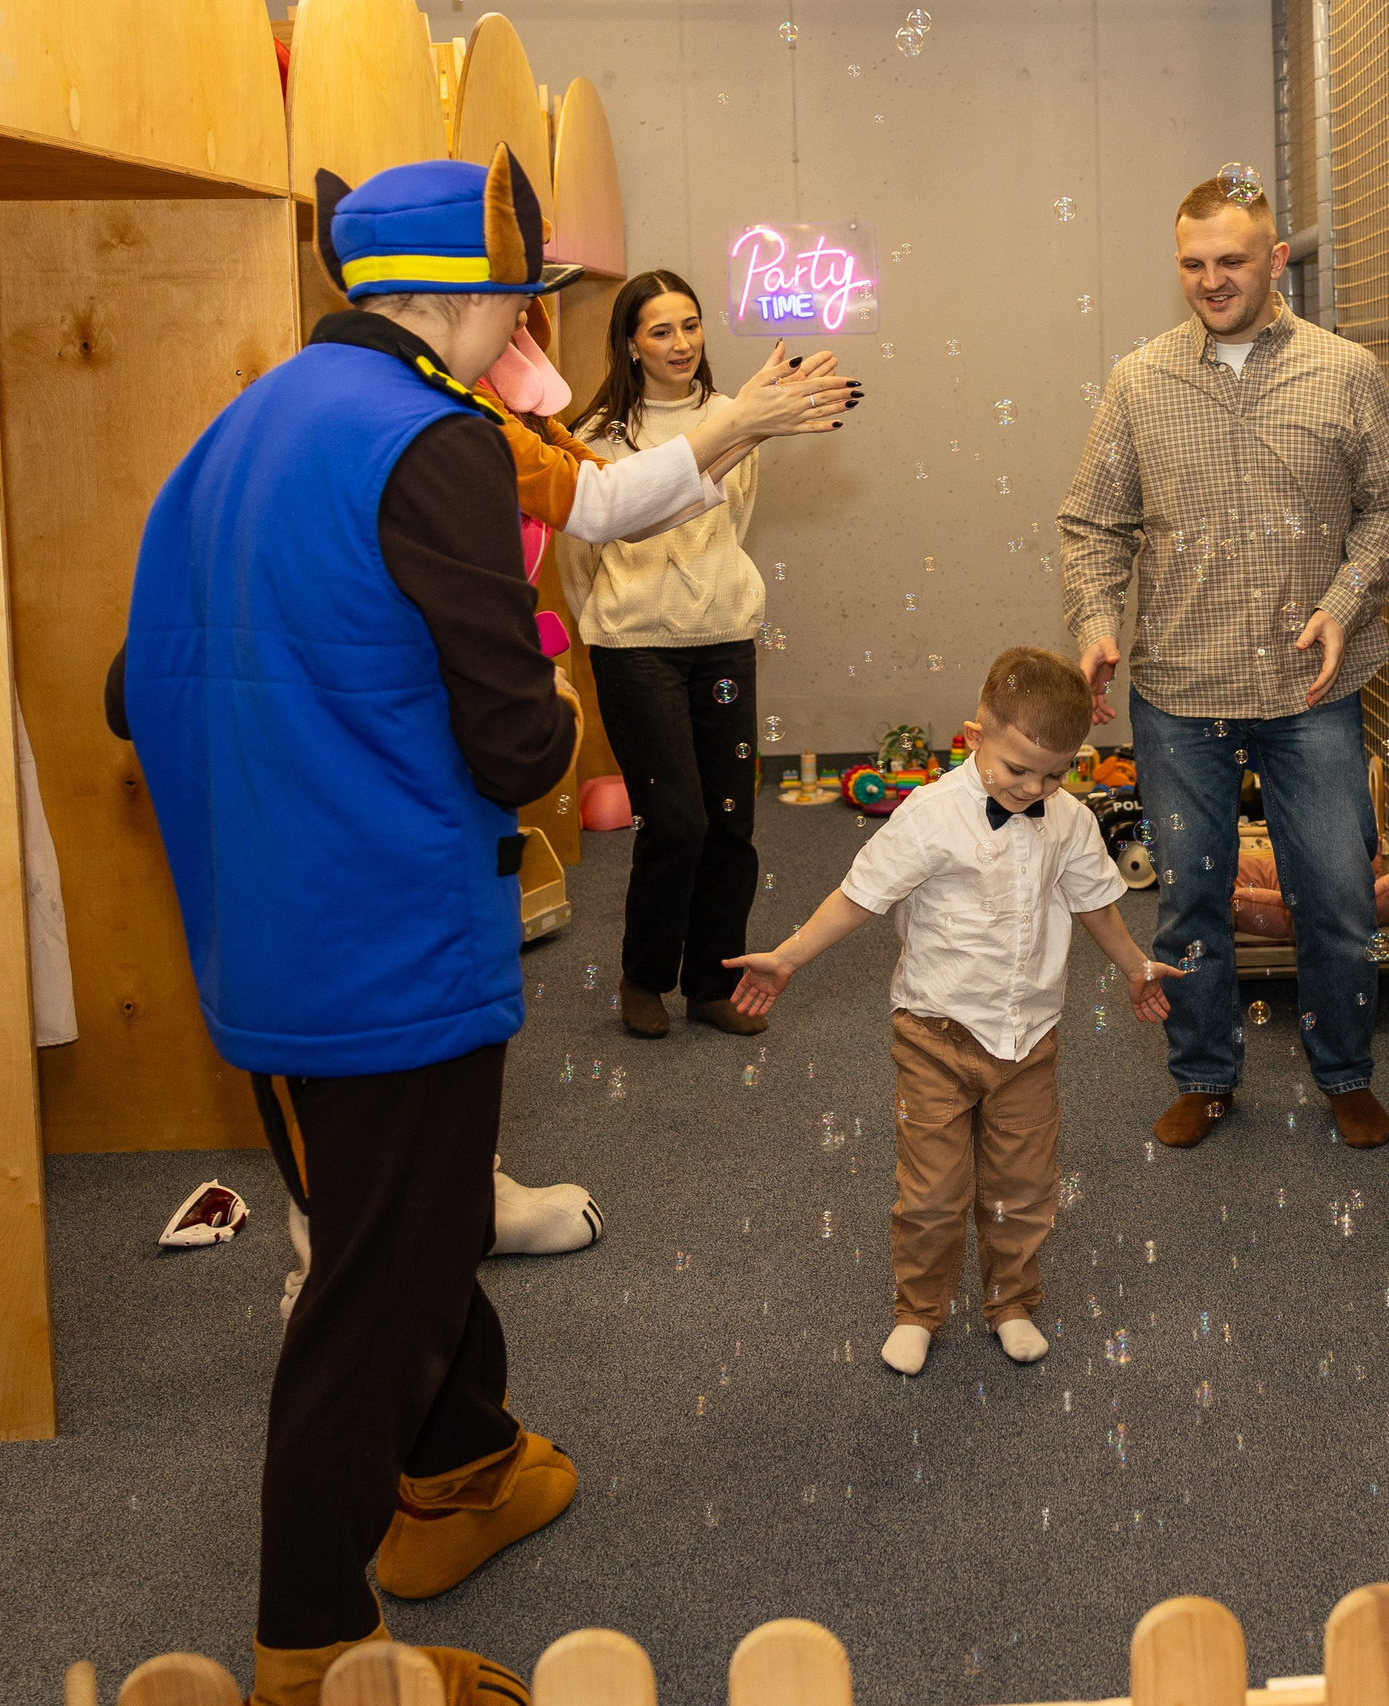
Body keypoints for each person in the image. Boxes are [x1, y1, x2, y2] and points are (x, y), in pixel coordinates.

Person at [111, 150, 854, 1706]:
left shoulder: (234, 429)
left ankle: (465, 1469)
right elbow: (518, 745)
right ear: (463, 297)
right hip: (383, 934)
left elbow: (137, 688)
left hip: (260, 923)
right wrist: (533, 703)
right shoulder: (431, 442)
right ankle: (311, 1647)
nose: (520, 339)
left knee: (409, 1218)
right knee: (374, 1283)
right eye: (516, 308)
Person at [1058, 171, 1389, 1152]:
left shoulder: (1345, 371)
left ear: (1275, 260)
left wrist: (1346, 601)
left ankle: (1345, 1070)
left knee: (1340, 902)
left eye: (1231, 260)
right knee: (1188, 902)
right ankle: (1206, 1073)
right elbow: (1094, 523)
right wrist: (1095, 619)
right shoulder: (1139, 381)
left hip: (1312, 694)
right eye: (1192, 263)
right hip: (1178, 694)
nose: (1211, 280)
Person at [719, 649, 1179, 1376]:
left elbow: (1096, 905)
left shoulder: (1068, 821)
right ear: (974, 737)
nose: (1034, 788)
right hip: (934, 1032)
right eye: (1018, 769)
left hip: (1029, 1039)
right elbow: (859, 895)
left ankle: (1011, 1302)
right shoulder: (929, 816)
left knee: (1024, 1188)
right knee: (932, 1193)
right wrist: (789, 956)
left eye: (1055, 773)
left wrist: (1134, 968)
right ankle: (919, 1310)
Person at [562, 270, 809, 1040]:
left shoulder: (738, 417)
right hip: (634, 648)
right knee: (675, 821)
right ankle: (645, 977)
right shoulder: (596, 433)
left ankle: (712, 982)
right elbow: (580, 558)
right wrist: (613, 623)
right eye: (661, 330)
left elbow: (735, 527)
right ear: (630, 344)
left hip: (724, 640)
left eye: (692, 325)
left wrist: (711, 599)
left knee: (732, 820)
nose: (681, 343)